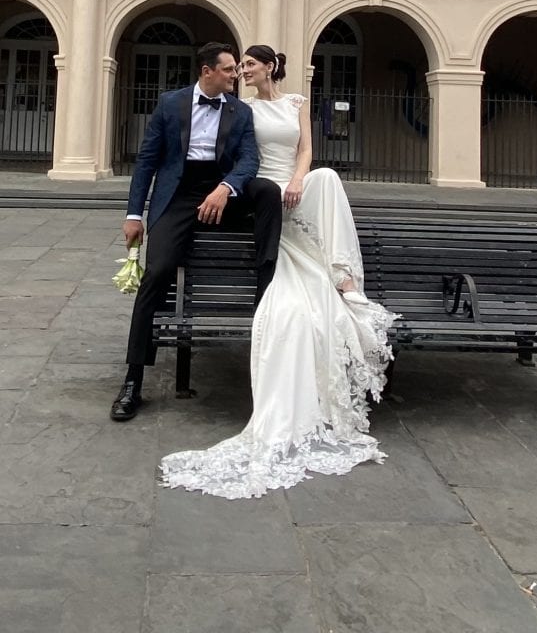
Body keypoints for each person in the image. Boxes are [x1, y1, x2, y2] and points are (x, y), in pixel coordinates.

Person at [159, 45, 396, 499]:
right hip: (262, 193)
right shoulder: (240, 109)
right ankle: (317, 271)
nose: (244, 71)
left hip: (295, 186)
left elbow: (306, 149)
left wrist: (299, 178)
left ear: (269, 67)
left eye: (250, 64)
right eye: (239, 65)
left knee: (326, 176)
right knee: (280, 203)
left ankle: (342, 277)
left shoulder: (296, 103)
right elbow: (240, 156)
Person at [111, 42, 283, 422]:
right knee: (157, 274)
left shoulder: (239, 111)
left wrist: (226, 188)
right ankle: (132, 381)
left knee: (268, 191)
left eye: (237, 70)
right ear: (207, 72)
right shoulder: (170, 104)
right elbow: (147, 162)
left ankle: (265, 282)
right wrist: (134, 214)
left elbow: (249, 159)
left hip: (222, 189)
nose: (235, 75)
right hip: (178, 193)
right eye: (228, 70)